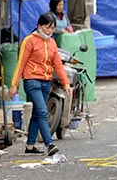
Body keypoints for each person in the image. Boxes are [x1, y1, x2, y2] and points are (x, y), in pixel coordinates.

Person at [8, 12, 72, 155]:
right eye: (47, 27)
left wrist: (66, 83)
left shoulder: (52, 43)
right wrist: (14, 84)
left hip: (46, 82)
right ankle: (49, 144)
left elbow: (58, 65)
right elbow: (21, 63)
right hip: (32, 81)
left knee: (38, 113)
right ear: (39, 26)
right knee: (43, 112)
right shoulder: (29, 40)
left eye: (52, 28)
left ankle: (30, 146)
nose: (49, 31)